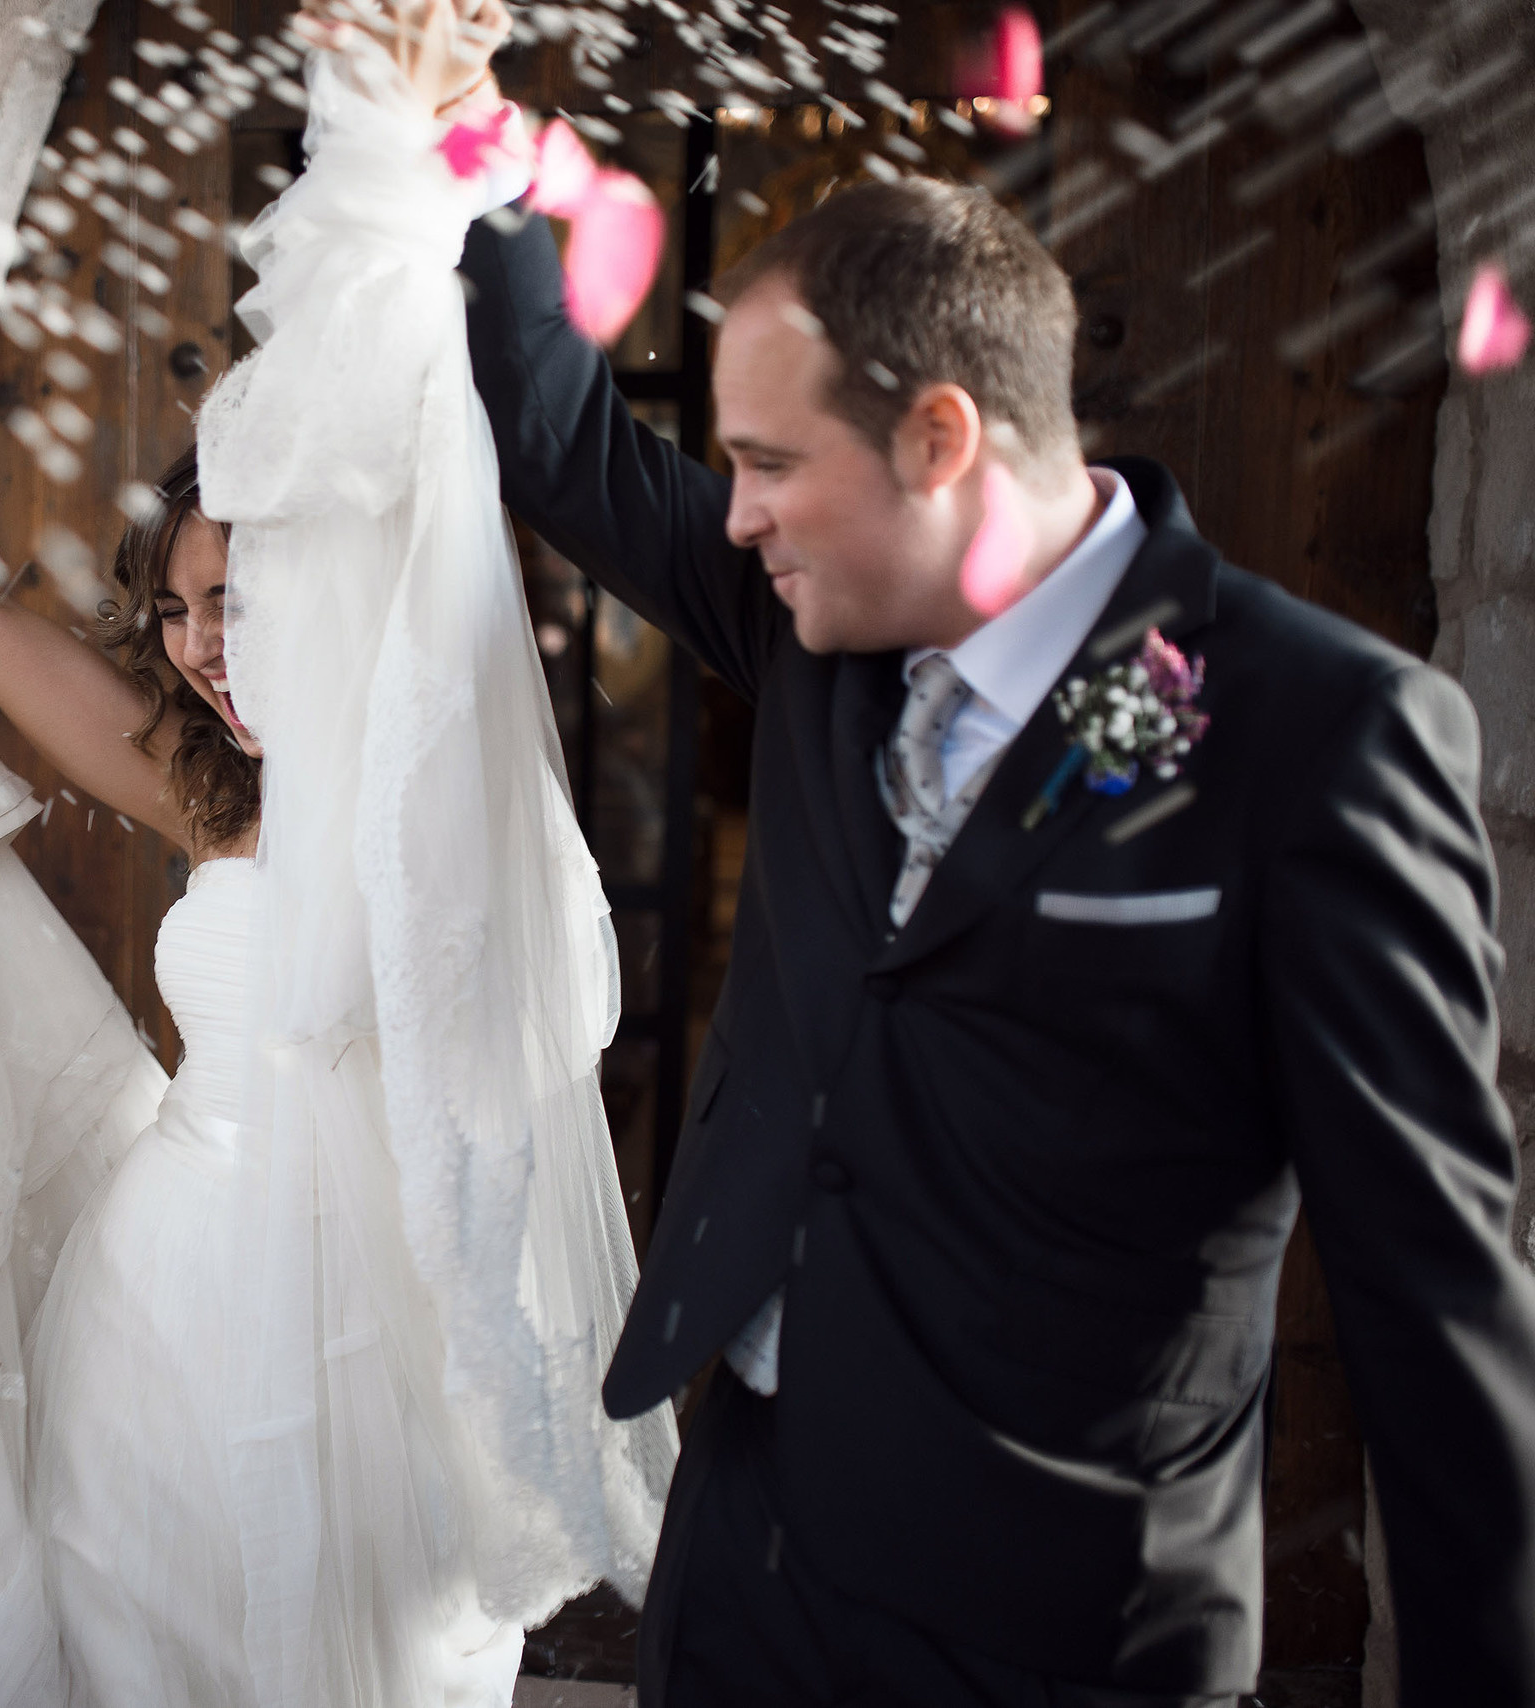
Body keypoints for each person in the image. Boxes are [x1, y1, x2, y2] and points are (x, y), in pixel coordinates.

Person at [405, 34, 1535, 1706]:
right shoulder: (817, 641)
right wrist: (465, 141)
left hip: (1058, 1625)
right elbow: (570, 452)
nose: (737, 516)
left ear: (941, 439)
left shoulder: (1318, 738)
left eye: (774, 465)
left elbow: (1437, 1325)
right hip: (743, 1557)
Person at [0, 25, 671, 1706]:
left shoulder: (438, 818)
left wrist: (391, 172)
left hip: (372, 1354)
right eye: (189, 607)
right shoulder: (204, 793)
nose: (210, 649)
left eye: (248, 605)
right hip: (156, 1328)